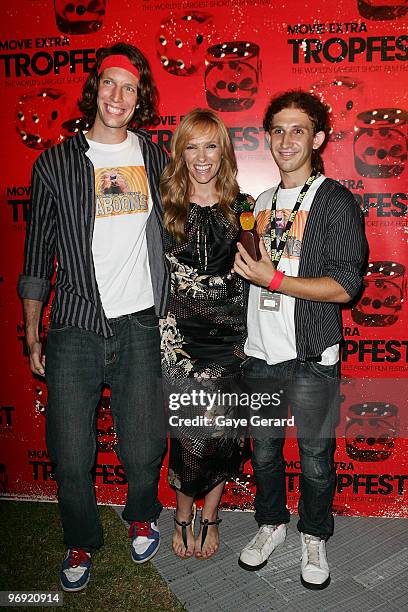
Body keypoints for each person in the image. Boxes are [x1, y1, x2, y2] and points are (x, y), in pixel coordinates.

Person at [17, 43, 169, 592]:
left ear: (140, 100)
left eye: (130, 88)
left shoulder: (155, 156)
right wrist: (33, 332)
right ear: (94, 89)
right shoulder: (55, 163)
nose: (118, 96)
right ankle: (80, 538)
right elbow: (37, 255)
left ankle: (142, 515)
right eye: (110, 84)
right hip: (76, 326)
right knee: (71, 449)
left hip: (141, 324)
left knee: (144, 442)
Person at [234, 90, 367, 589]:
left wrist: (272, 279)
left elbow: (345, 286)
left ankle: (315, 534)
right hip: (260, 353)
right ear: (267, 137)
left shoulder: (333, 200)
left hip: (312, 353)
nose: (286, 140)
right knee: (265, 452)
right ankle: (271, 524)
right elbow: (253, 271)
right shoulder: (260, 203)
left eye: (297, 130)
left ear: (317, 138)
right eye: (277, 130)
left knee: (314, 456)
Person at [160, 108, 253, 560]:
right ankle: (181, 516)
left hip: (230, 338)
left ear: (224, 151)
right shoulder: (163, 207)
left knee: (223, 433)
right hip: (179, 340)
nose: (202, 156)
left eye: (210, 145)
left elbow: (263, 272)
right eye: (192, 146)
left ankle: (210, 516)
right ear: (181, 152)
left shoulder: (244, 207)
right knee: (189, 435)